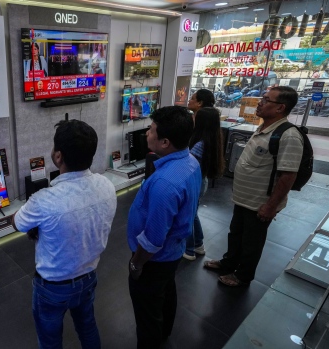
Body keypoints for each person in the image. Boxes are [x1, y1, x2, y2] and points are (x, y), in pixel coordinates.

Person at [12, 119, 117, 349]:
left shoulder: (44, 200)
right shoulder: (107, 186)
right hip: (89, 276)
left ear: (58, 156)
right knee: (88, 328)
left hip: (51, 288)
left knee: (50, 342)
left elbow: (18, 223)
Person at [204, 86, 303, 287]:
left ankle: (243, 275)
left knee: (252, 242)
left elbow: (288, 175)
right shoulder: (265, 128)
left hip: (260, 203)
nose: (260, 102)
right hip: (244, 199)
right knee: (236, 233)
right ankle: (228, 263)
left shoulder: (289, 136)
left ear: (280, 108)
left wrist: (271, 206)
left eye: (266, 100)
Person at [127, 106, 201, 347]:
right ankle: (165, 332)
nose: (147, 133)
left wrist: (136, 263)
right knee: (167, 293)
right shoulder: (190, 161)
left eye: (151, 130)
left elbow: (153, 238)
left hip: (154, 260)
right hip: (173, 253)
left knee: (147, 314)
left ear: (165, 142)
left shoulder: (164, 183)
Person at [182, 106, 225, 260]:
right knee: (193, 215)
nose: (193, 118)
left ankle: (189, 250)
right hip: (202, 181)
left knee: (187, 216)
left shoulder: (199, 144)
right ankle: (198, 244)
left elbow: (190, 166)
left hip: (195, 183)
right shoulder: (212, 139)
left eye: (196, 117)